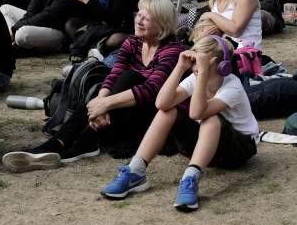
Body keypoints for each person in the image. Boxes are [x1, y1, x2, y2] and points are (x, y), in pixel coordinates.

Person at [3, 0, 184, 169]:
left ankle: (84, 140)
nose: (139, 19)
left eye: (147, 17)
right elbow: (113, 75)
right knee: (109, 84)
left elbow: (151, 89)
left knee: (131, 78)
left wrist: (105, 103)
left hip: (153, 118)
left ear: (162, 24)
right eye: (139, 14)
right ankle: (57, 143)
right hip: (123, 112)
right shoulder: (133, 42)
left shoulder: (172, 50)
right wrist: (100, 101)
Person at [98, 35, 259, 211]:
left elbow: (197, 112)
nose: (194, 67)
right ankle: (136, 171)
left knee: (211, 118)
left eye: (198, 62)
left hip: (238, 149)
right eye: (193, 61)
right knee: (167, 111)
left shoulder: (232, 87)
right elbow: (162, 103)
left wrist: (204, 73)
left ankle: (190, 178)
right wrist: (180, 67)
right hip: (207, 147)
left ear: (220, 65)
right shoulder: (195, 78)